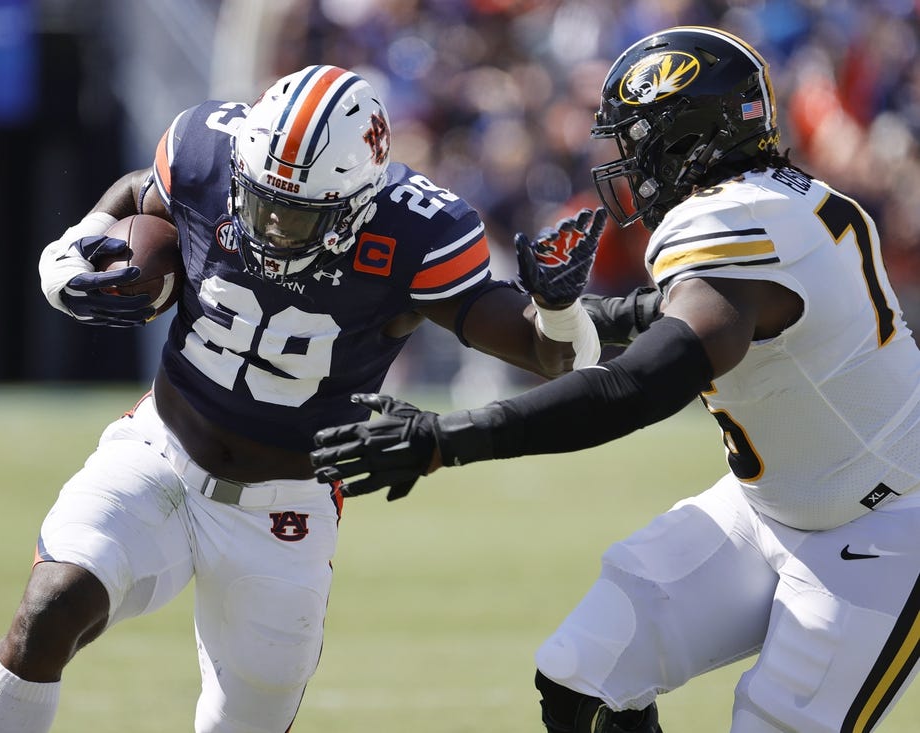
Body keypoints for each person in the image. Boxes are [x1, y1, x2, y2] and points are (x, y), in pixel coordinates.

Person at [0, 64, 658, 732]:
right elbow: (142, 190)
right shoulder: (209, 149)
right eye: (258, 199)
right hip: (160, 449)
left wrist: (558, 308)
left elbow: (548, 354)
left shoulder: (418, 231)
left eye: (291, 216)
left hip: (284, 508)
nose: (264, 229)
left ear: (357, 204)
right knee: (50, 606)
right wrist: (69, 249)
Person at [311, 27, 920, 733]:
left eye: (639, 141)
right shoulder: (781, 200)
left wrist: (444, 439)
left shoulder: (740, 225)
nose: (628, 162)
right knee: (583, 677)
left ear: (690, 137)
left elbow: (641, 385)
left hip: (884, 526)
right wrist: (558, 311)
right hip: (774, 506)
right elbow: (666, 314)